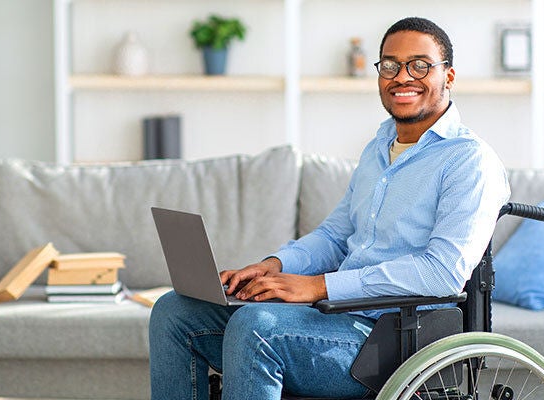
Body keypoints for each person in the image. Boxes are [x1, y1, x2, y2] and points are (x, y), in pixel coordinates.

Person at [148, 17, 510, 399]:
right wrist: (276, 265)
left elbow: (442, 274)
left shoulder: (470, 161)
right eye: (390, 65)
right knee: (175, 311)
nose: (402, 76)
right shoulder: (378, 149)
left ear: (448, 76)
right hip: (335, 316)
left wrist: (318, 286)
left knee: (256, 326)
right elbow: (336, 236)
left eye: (420, 65)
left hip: (392, 340)